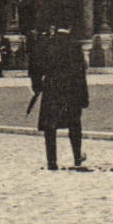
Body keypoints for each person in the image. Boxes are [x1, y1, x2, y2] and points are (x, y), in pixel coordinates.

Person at [30, 26, 90, 170]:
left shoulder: (46, 44)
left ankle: (52, 161)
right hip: (72, 90)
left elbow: (35, 68)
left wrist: (37, 86)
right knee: (74, 124)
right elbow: (81, 73)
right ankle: (77, 157)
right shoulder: (75, 45)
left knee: (50, 126)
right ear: (69, 28)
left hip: (52, 89)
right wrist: (84, 96)